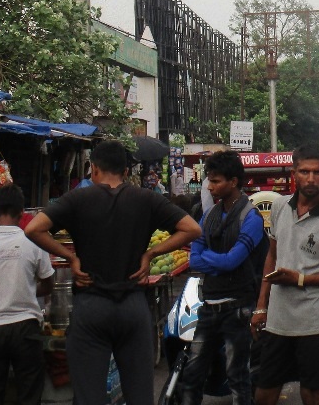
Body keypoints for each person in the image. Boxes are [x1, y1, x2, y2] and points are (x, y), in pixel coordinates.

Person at [25, 140, 201, 405]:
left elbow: (33, 229)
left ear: (94, 169)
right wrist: (150, 254)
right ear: (126, 171)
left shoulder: (77, 199)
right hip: (133, 307)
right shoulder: (146, 198)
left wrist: (70, 257)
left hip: (91, 307)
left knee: (89, 397)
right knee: (140, 397)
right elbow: (192, 229)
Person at [250, 144, 319, 405]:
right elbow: (272, 256)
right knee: (265, 392)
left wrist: (300, 280)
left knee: (311, 393)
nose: (311, 179)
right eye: (305, 172)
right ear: (294, 174)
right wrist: (261, 306)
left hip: (315, 321)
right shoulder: (279, 206)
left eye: (318, 172)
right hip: (278, 320)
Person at [180, 150, 267, 405]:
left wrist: (211, 259)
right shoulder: (208, 216)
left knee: (238, 377)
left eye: (216, 181)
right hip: (209, 306)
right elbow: (194, 260)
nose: (210, 186)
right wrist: (220, 262)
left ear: (234, 181)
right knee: (192, 375)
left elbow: (231, 261)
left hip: (238, 308)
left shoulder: (251, 218)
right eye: (210, 180)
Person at [0, 184, 55, 405]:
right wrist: (26, 288)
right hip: (26, 329)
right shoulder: (34, 242)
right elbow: (48, 285)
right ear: (21, 213)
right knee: (29, 396)